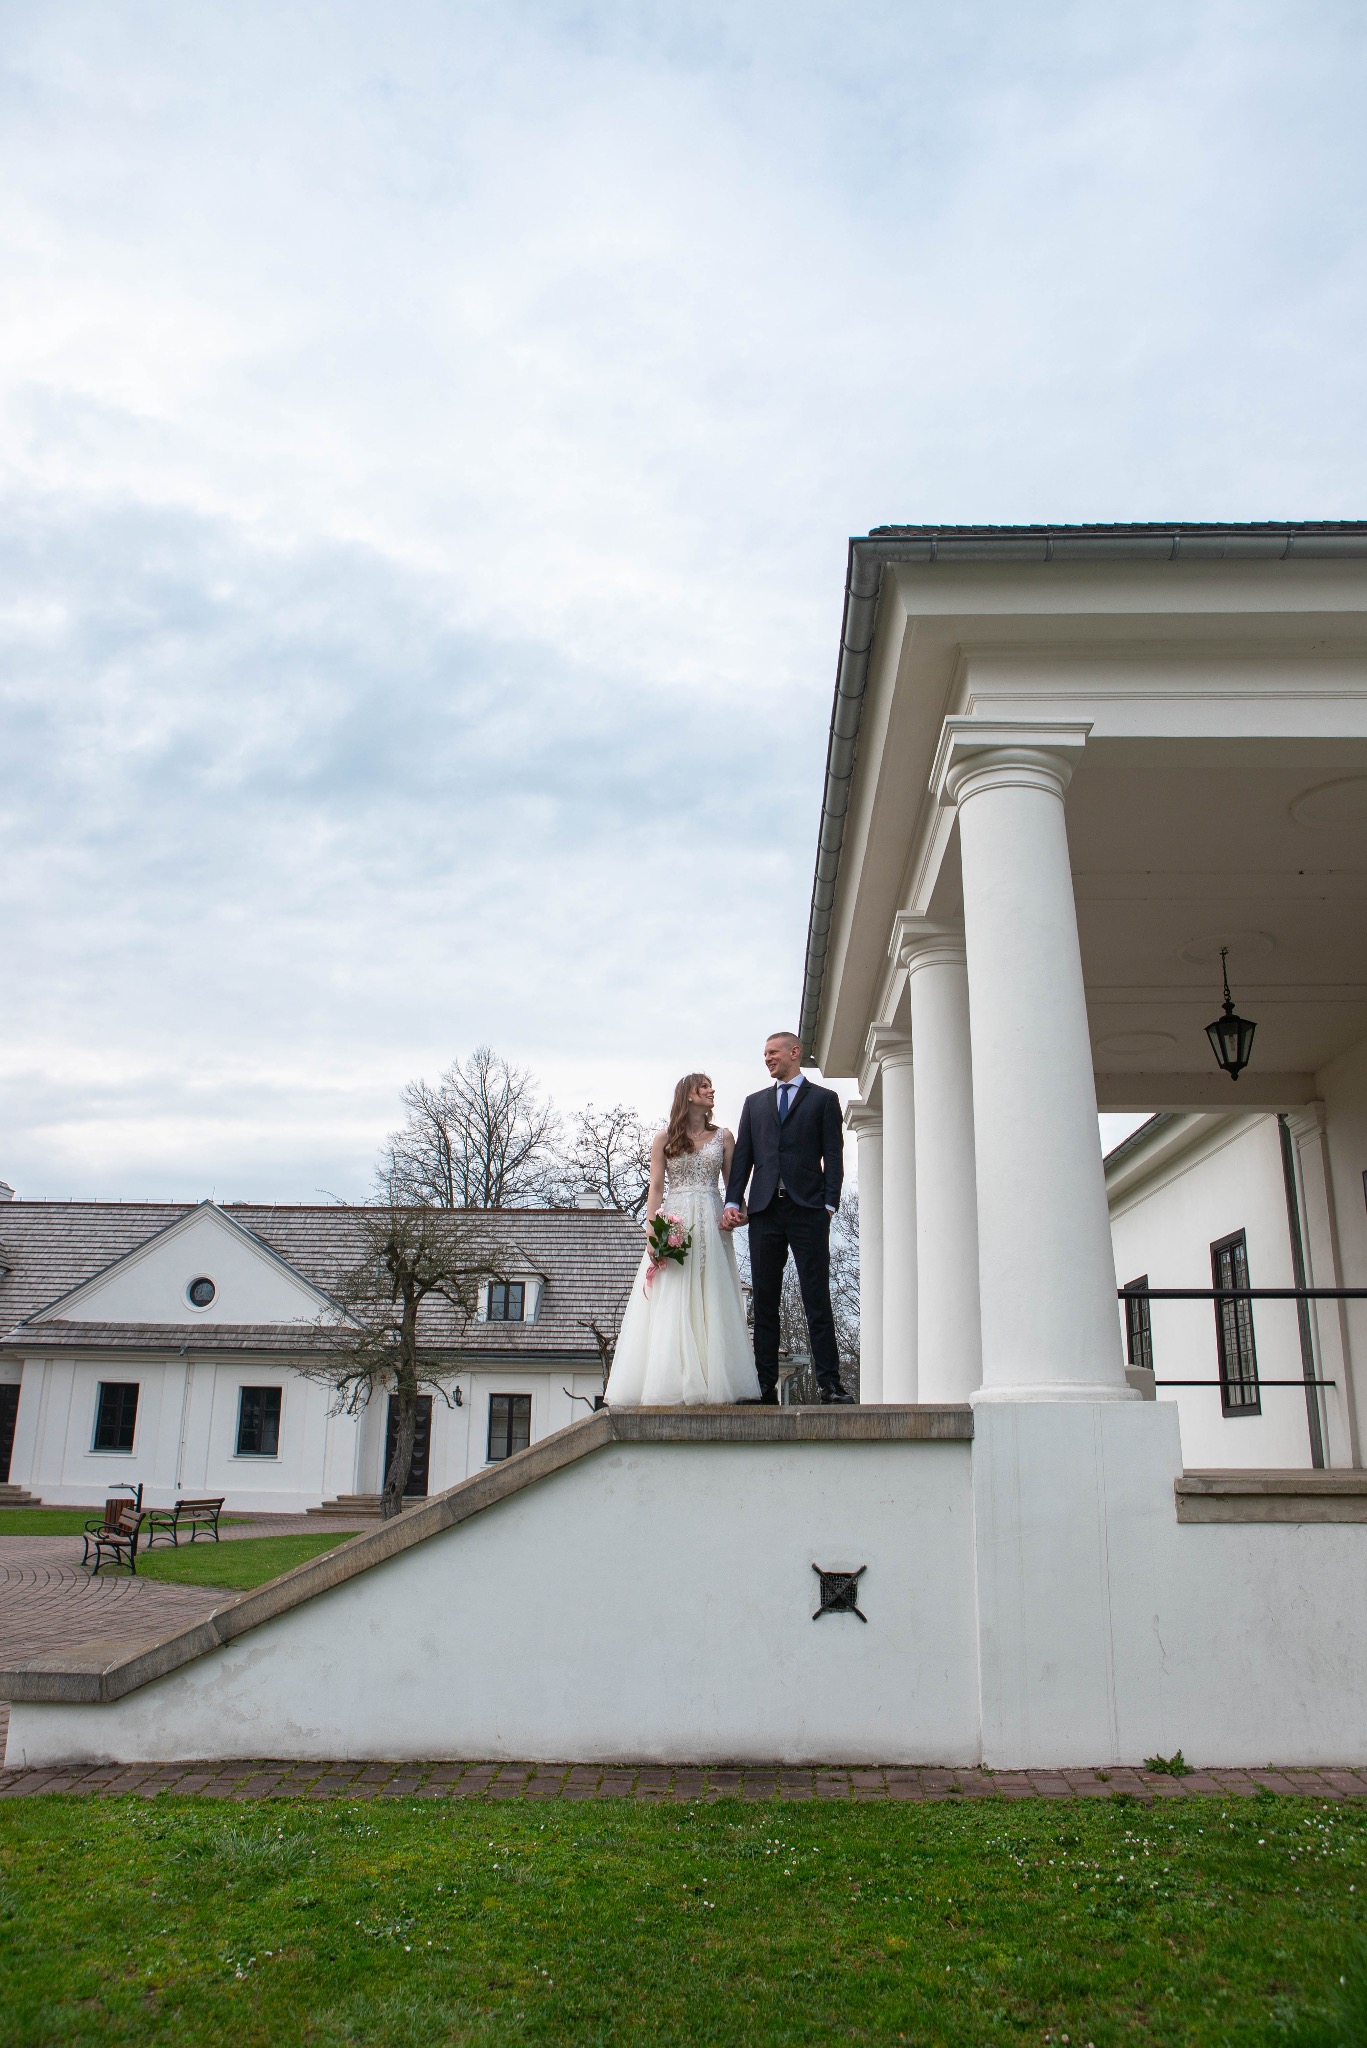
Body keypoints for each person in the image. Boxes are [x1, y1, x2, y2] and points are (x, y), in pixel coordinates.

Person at [603, 1074, 761, 1407]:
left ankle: (715, 1380)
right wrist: (651, 1228)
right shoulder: (664, 1139)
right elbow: (657, 1186)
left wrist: (739, 1210)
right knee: (673, 1294)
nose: (711, 1091)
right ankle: (671, 1381)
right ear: (688, 1095)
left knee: (713, 1291)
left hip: (712, 1219)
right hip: (676, 1219)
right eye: (703, 1087)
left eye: (711, 1087)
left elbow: (733, 1185)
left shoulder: (725, 1137)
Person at [722, 1031, 852, 1405]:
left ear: (794, 1053)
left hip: (808, 1210)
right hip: (764, 1211)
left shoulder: (824, 1101)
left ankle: (830, 1385)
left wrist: (830, 1204)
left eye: (773, 1052)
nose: (767, 1058)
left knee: (816, 1297)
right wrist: (734, 1201)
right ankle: (764, 1388)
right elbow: (743, 1157)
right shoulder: (754, 1104)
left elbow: (834, 1156)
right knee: (764, 1300)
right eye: (764, 1053)